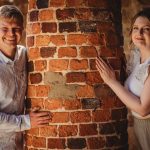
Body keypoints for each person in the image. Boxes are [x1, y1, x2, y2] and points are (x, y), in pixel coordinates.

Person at [96, 8, 150, 150]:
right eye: (136, 28)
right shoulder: (137, 57)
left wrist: (111, 82)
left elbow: (143, 109)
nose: (139, 33)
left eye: (146, 29)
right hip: (139, 126)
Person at [0, 5, 52, 150]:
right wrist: (26, 121)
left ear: (22, 30)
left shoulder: (24, 55)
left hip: (19, 144)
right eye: (4, 29)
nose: (11, 34)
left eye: (16, 29)